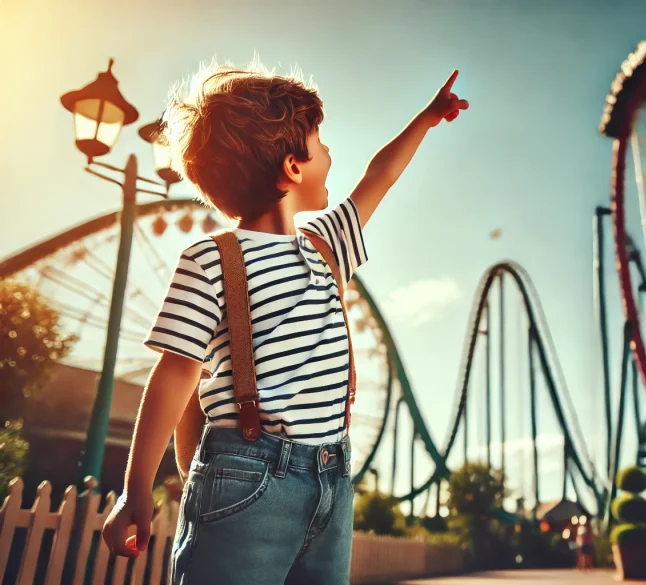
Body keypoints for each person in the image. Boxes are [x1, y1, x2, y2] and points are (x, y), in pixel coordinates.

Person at [100, 59, 468, 584]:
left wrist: (426, 119)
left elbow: (379, 174)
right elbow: (176, 372)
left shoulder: (326, 246)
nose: (330, 154)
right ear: (293, 168)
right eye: (320, 144)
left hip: (333, 475)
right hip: (247, 477)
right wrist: (136, 487)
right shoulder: (210, 260)